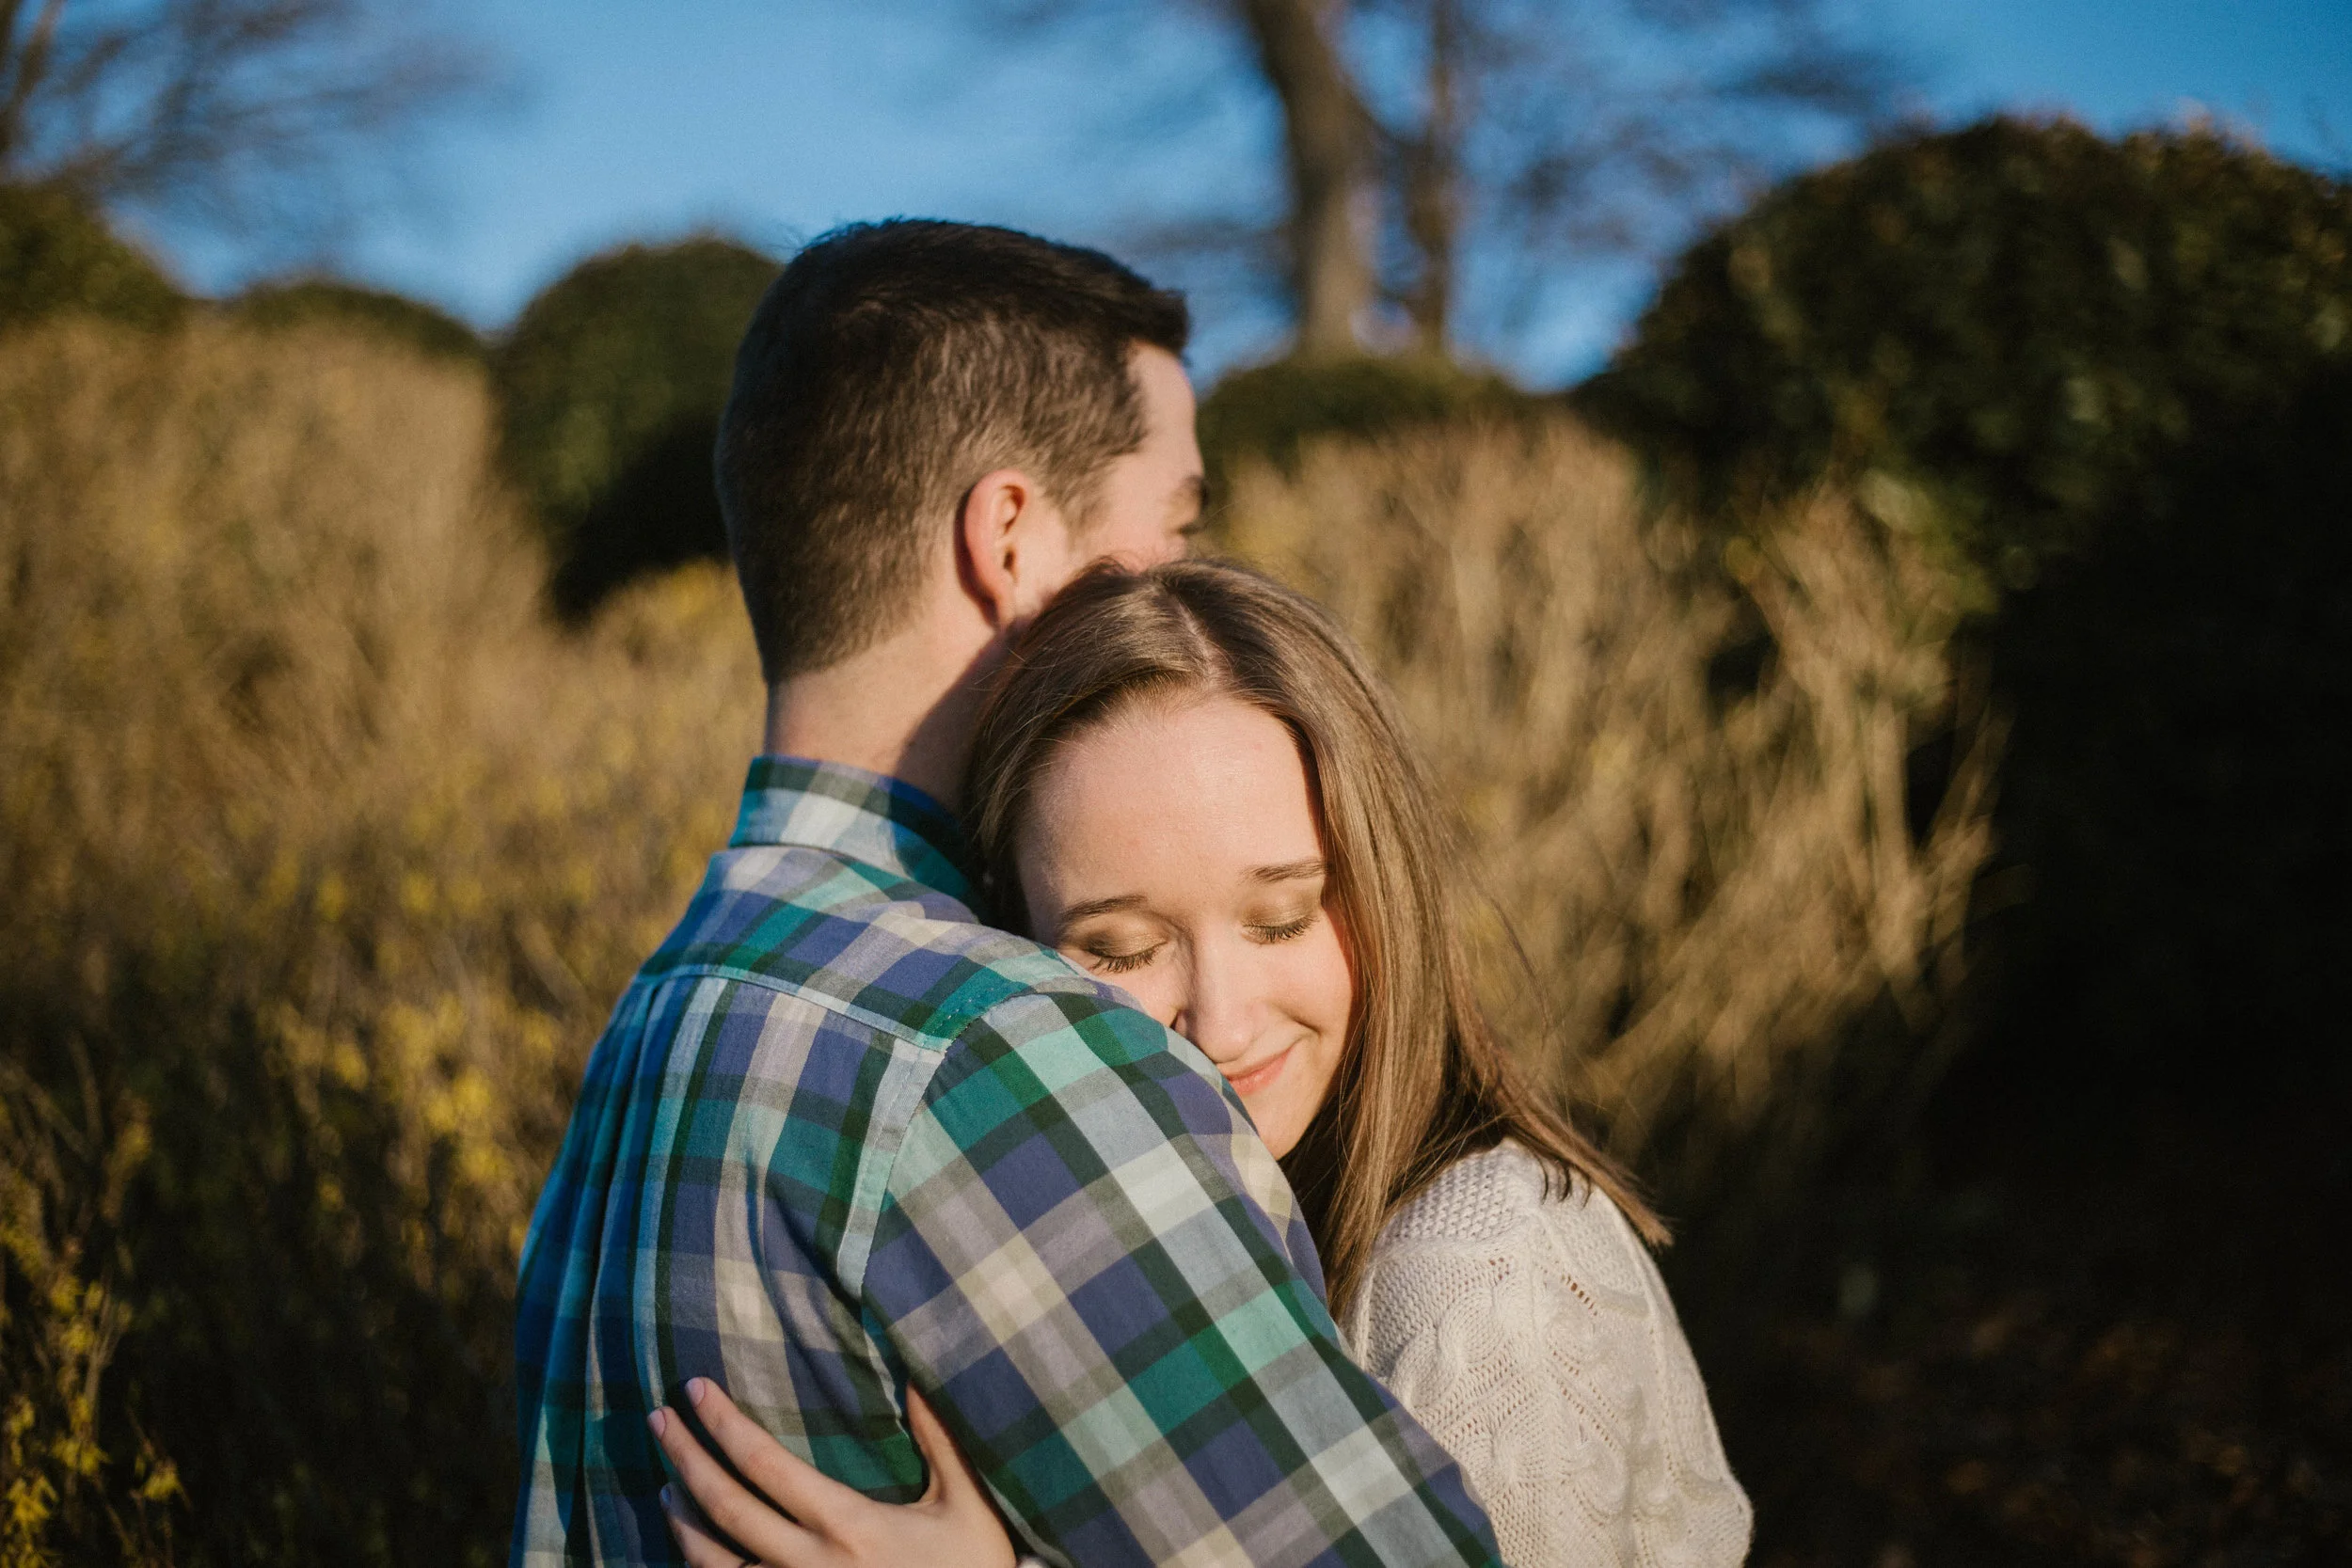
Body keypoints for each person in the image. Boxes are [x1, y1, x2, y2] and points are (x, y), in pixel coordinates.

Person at [511, 221, 1502, 1567]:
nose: (1183, 578)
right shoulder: (998, 1053)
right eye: (1179, 521)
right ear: (1012, 536)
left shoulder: (658, 1021)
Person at [649, 562, 1756, 1567]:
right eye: (1119, 948)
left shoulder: (1478, 1270)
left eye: (1281, 917)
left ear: (1384, 884)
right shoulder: (1131, 1230)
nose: (1220, 1024)